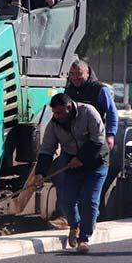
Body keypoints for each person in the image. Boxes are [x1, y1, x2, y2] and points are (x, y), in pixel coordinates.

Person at [33, 93, 108, 254]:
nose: (57, 116)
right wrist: (40, 173)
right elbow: (47, 149)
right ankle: (74, 226)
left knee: (89, 200)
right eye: (54, 113)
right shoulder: (54, 124)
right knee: (66, 200)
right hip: (72, 164)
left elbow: (98, 139)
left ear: (69, 108)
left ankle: (84, 238)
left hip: (97, 162)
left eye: (60, 112)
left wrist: (81, 158)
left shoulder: (88, 112)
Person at [65, 60, 118, 150]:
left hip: (96, 137)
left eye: (78, 74)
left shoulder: (99, 89)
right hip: (74, 139)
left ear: (87, 73)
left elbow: (112, 112)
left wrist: (110, 135)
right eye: (72, 74)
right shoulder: (69, 90)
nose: (75, 77)